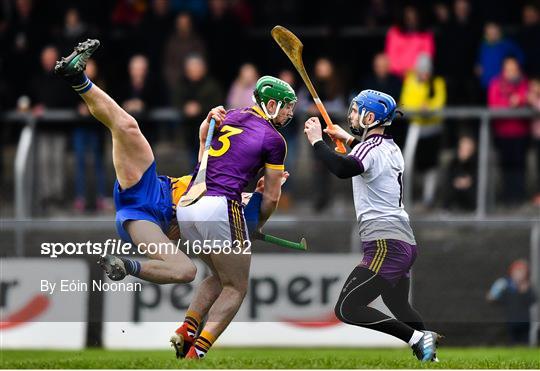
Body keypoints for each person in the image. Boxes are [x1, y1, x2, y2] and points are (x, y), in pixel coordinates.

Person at [303, 89, 441, 362]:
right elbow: (367, 159)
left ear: (370, 116)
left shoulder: (369, 149)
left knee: (347, 307)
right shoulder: (390, 147)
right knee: (399, 305)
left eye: (355, 111)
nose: (351, 115)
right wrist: (350, 138)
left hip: (385, 243)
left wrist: (318, 142)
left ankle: (416, 339)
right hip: (403, 241)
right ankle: (430, 359)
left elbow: (344, 169)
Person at [171, 75, 297, 359]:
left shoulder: (229, 114)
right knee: (237, 287)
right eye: (287, 106)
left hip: (189, 205)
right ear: (271, 104)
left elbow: (205, 148)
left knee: (219, 275)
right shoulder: (274, 139)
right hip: (220, 207)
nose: (290, 113)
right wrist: (258, 220)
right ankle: (198, 352)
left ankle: (187, 329)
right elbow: (272, 197)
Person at [400, 53, 447, 208]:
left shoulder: (437, 82)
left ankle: (428, 197)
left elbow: (439, 102)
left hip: (433, 127)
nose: (424, 73)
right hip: (416, 126)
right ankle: (406, 195)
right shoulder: (411, 81)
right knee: (408, 161)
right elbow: (406, 102)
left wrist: (428, 107)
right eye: (421, 70)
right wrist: (421, 106)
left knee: (431, 164)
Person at [487, 57, 529, 205]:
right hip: (502, 132)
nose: (511, 72)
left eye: (514, 68)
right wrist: (510, 104)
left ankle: (519, 196)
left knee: (519, 166)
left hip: (520, 132)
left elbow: (529, 96)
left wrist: (521, 100)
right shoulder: (496, 83)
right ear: (503, 70)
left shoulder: (523, 82)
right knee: (505, 166)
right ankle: (506, 197)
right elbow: (493, 104)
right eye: (508, 69)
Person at [487, 259, 536, 344]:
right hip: (511, 321)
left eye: (521, 271)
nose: (519, 274)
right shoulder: (506, 287)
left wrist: (524, 291)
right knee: (512, 343)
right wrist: (492, 296)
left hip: (525, 322)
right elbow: (495, 300)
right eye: (517, 271)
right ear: (512, 273)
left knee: (525, 343)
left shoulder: (528, 286)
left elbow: (533, 300)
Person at [476, 22, 525, 91]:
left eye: (494, 30)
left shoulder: (506, 43)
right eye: (489, 31)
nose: (491, 33)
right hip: (485, 81)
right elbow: (479, 60)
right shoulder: (483, 45)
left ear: (499, 31)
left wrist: (514, 68)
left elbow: (520, 56)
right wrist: (478, 66)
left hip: (501, 82)